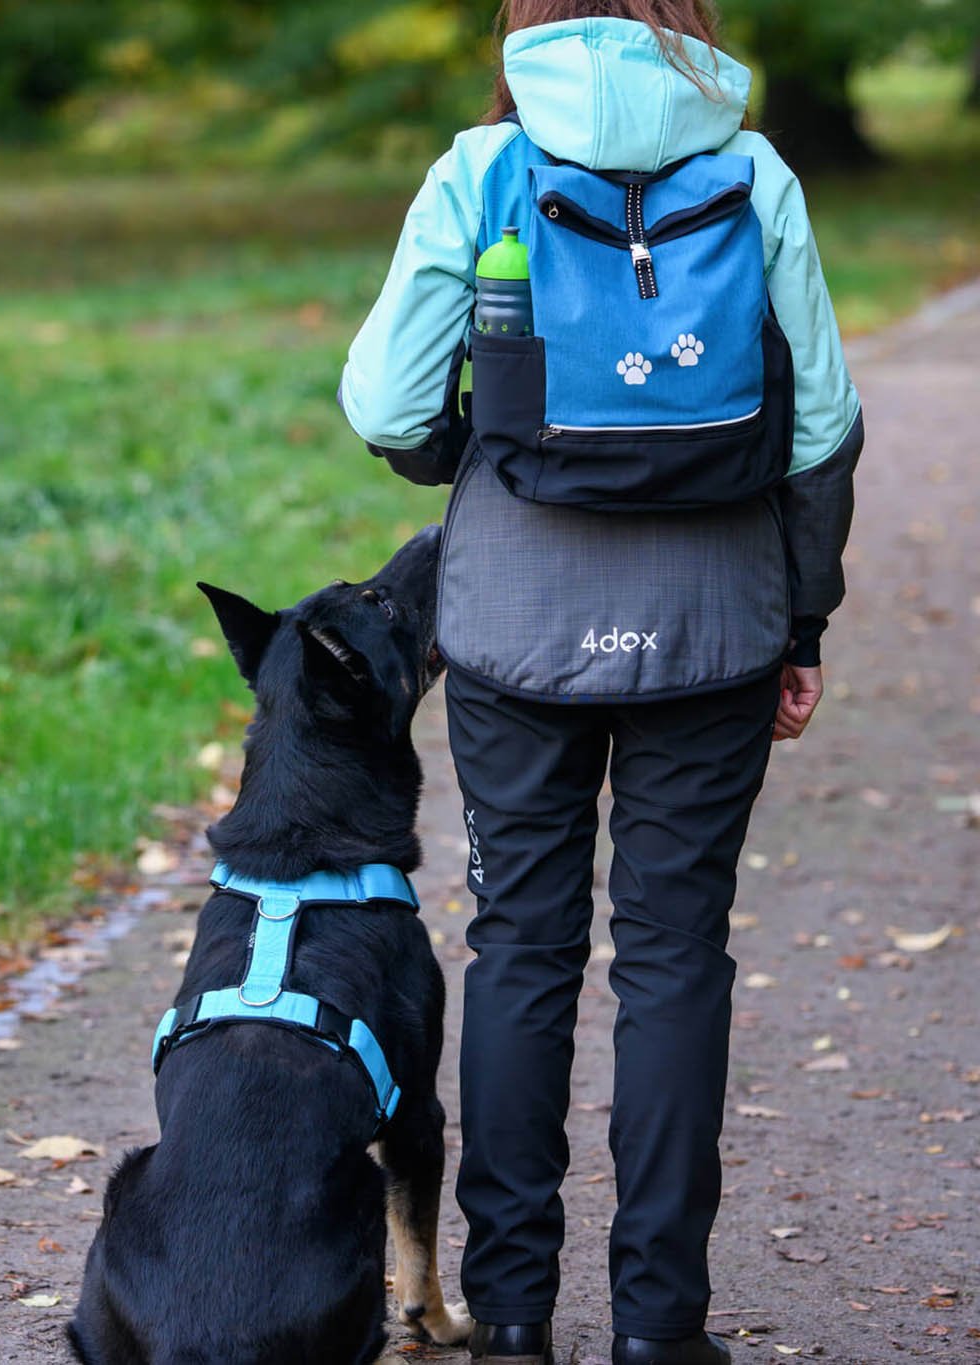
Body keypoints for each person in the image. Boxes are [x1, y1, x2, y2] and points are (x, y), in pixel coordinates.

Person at [340, 2, 863, 1362]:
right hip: (716, 613)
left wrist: (474, 446)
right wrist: (802, 618)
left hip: (518, 604)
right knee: (678, 952)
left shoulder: (481, 169)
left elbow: (389, 407)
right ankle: (660, 1326)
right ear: (686, 21)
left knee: (519, 942)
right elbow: (821, 419)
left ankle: (512, 1316)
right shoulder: (755, 172)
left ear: (528, 26)